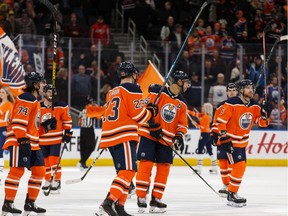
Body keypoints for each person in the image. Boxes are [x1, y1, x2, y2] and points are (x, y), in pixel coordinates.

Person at [95, 61, 158, 216]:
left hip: (110, 136)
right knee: (129, 171)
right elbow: (138, 116)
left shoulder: (112, 91)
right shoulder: (133, 88)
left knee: (123, 172)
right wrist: (151, 111)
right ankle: (108, 202)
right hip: (124, 134)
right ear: (133, 74)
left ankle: (120, 207)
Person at [1, 71, 57, 215]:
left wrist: (46, 127)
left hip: (32, 142)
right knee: (17, 171)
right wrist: (23, 140)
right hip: (21, 141)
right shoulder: (26, 97)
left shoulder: (34, 101)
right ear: (35, 84)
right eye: (42, 82)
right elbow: (19, 122)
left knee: (39, 171)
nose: (44, 85)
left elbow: (33, 129)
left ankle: (30, 203)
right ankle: (8, 203)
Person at [136, 71, 189, 213]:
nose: (187, 85)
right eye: (185, 82)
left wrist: (179, 136)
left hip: (166, 140)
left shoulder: (182, 103)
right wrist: (152, 124)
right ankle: (141, 197)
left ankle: (156, 198)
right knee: (146, 164)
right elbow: (147, 109)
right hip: (149, 133)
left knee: (164, 168)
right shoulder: (158, 92)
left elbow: (183, 124)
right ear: (178, 81)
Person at [215, 79, 271, 207]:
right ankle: (231, 193)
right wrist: (224, 137)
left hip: (242, 143)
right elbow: (220, 121)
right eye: (248, 88)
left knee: (240, 167)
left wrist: (265, 114)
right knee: (239, 166)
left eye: (252, 87)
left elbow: (262, 124)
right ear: (241, 90)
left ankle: (232, 193)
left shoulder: (255, 105)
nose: (251, 90)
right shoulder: (231, 103)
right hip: (230, 142)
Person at [40, 84, 73, 193]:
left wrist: (67, 132)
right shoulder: (37, 106)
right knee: (45, 162)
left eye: (52, 92)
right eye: (48, 92)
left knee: (54, 160)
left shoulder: (61, 106)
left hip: (56, 138)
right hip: (42, 139)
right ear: (44, 93)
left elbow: (67, 120)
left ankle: (57, 181)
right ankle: (48, 179)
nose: (51, 94)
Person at [210, 83, 238, 197]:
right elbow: (216, 121)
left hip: (232, 139)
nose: (231, 92)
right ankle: (225, 185)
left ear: (237, 91)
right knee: (222, 162)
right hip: (221, 138)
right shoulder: (221, 105)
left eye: (234, 90)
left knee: (232, 163)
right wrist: (213, 133)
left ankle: (231, 186)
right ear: (227, 92)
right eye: (230, 90)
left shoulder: (240, 105)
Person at [188, 103, 217, 175]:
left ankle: (199, 168)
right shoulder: (204, 115)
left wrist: (196, 124)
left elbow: (202, 127)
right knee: (210, 150)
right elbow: (195, 114)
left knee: (200, 150)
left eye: (203, 107)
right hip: (207, 134)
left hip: (204, 134)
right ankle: (214, 168)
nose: (202, 108)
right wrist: (187, 111)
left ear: (207, 109)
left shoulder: (205, 117)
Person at [78, 97, 100, 170]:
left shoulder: (82, 111)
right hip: (89, 130)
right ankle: (82, 161)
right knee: (91, 147)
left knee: (83, 147)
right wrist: (97, 107)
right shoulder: (91, 111)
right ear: (88, 104)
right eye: (91, 103)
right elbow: (99, 117)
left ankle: (82, 163)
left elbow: (79, 121)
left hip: (82, 129)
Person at [0, 87, 14, 185]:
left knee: (0, 150)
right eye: (0, 92)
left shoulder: (9, 105)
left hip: (3, 129)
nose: (1, 94)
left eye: (3, 92)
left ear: (7, 94)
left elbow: (5, 119)